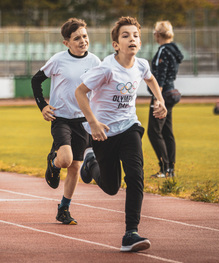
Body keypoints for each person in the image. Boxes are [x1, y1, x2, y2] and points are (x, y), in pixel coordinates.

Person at [75, 16, 167, 252]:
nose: (132, 39)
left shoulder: (141, 64)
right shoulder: (106, 69)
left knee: (136, 175)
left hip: (129, 127)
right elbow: (80, 92)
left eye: (135, 35)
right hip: (104, 133)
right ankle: (90, 163)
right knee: (110, 187)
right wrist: (93, 122)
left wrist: (159, 100)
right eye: (125, 36)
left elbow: (151, 78)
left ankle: (130, 233)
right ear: (116, 44)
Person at [31, 18, 101, 225]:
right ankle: (52, 162)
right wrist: (42, 106)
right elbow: (36, 80)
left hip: (83, 121)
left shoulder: (95, 62)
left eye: (85, 36)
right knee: (65, 160)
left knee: (75, 167)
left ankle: (64, 208)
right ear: (66, 43)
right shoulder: (58, 60)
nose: (82, 41)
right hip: (61, 118)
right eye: (77, 38)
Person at [147, 21, 183, 178]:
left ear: (157, 34)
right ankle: (171, 170)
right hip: (171, 92)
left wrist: (157, 98)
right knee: (167, 131)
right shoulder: (173, 50)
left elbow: (160, 76)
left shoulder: (163, 51)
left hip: (162, 94)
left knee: (154, 132)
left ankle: (164, 168)